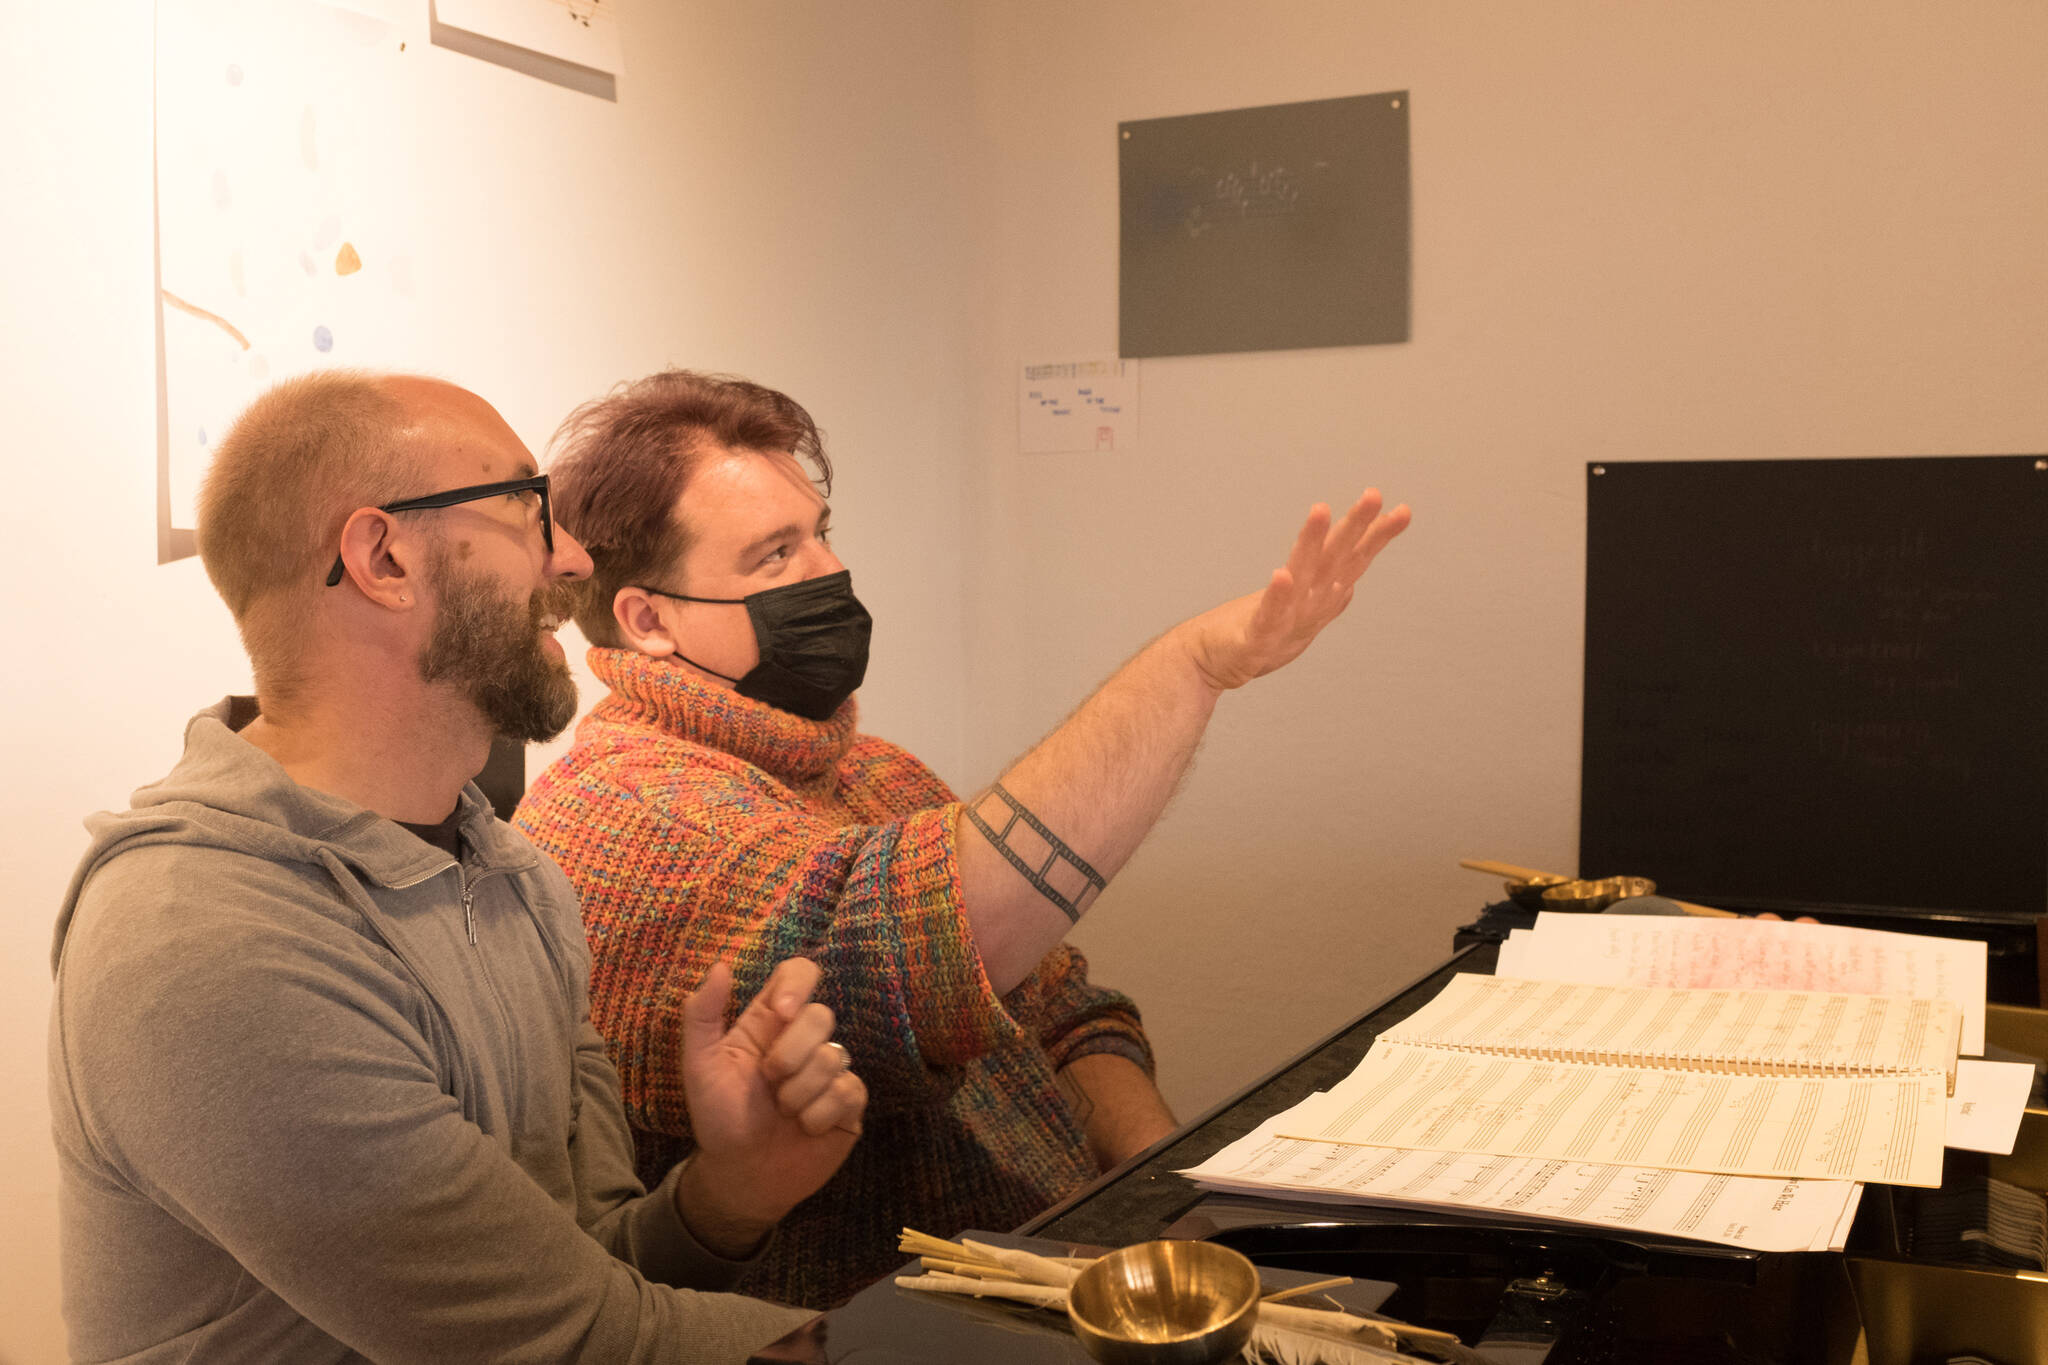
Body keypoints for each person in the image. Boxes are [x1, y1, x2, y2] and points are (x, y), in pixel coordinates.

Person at [514, 369, 1411, 1306]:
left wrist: (1156, 1189)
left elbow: (1062, 1003)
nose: (827, 572)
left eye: (820, 533)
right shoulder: (620, 814)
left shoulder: (872, 770)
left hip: (1072, 1270)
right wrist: (1190, 668)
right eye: (774, 555)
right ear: (648, 620)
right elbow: (922, 949)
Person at [47, 371, 867, 1364]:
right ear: (384, 556)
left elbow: (590, 1279)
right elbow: (583, 1343)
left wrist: (728, 1196)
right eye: (529, 509)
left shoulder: (513, 878)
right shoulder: (204, 946)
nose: (571, 559)